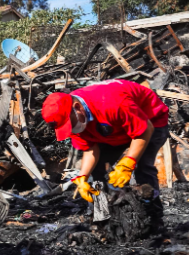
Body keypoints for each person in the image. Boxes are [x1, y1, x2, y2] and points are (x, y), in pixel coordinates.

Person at [41, 80, 169, 230]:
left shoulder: (113, 103)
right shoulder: (73, 119)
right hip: (115, 126)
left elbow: (145, 130)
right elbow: (90, 149)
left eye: (70, 125)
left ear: (77, 107)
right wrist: (82, 177)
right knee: (97, 169)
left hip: (150, 120)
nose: (72, 130)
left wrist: (129, 162)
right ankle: (103, 219)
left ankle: (154, 221)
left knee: (143, 167)